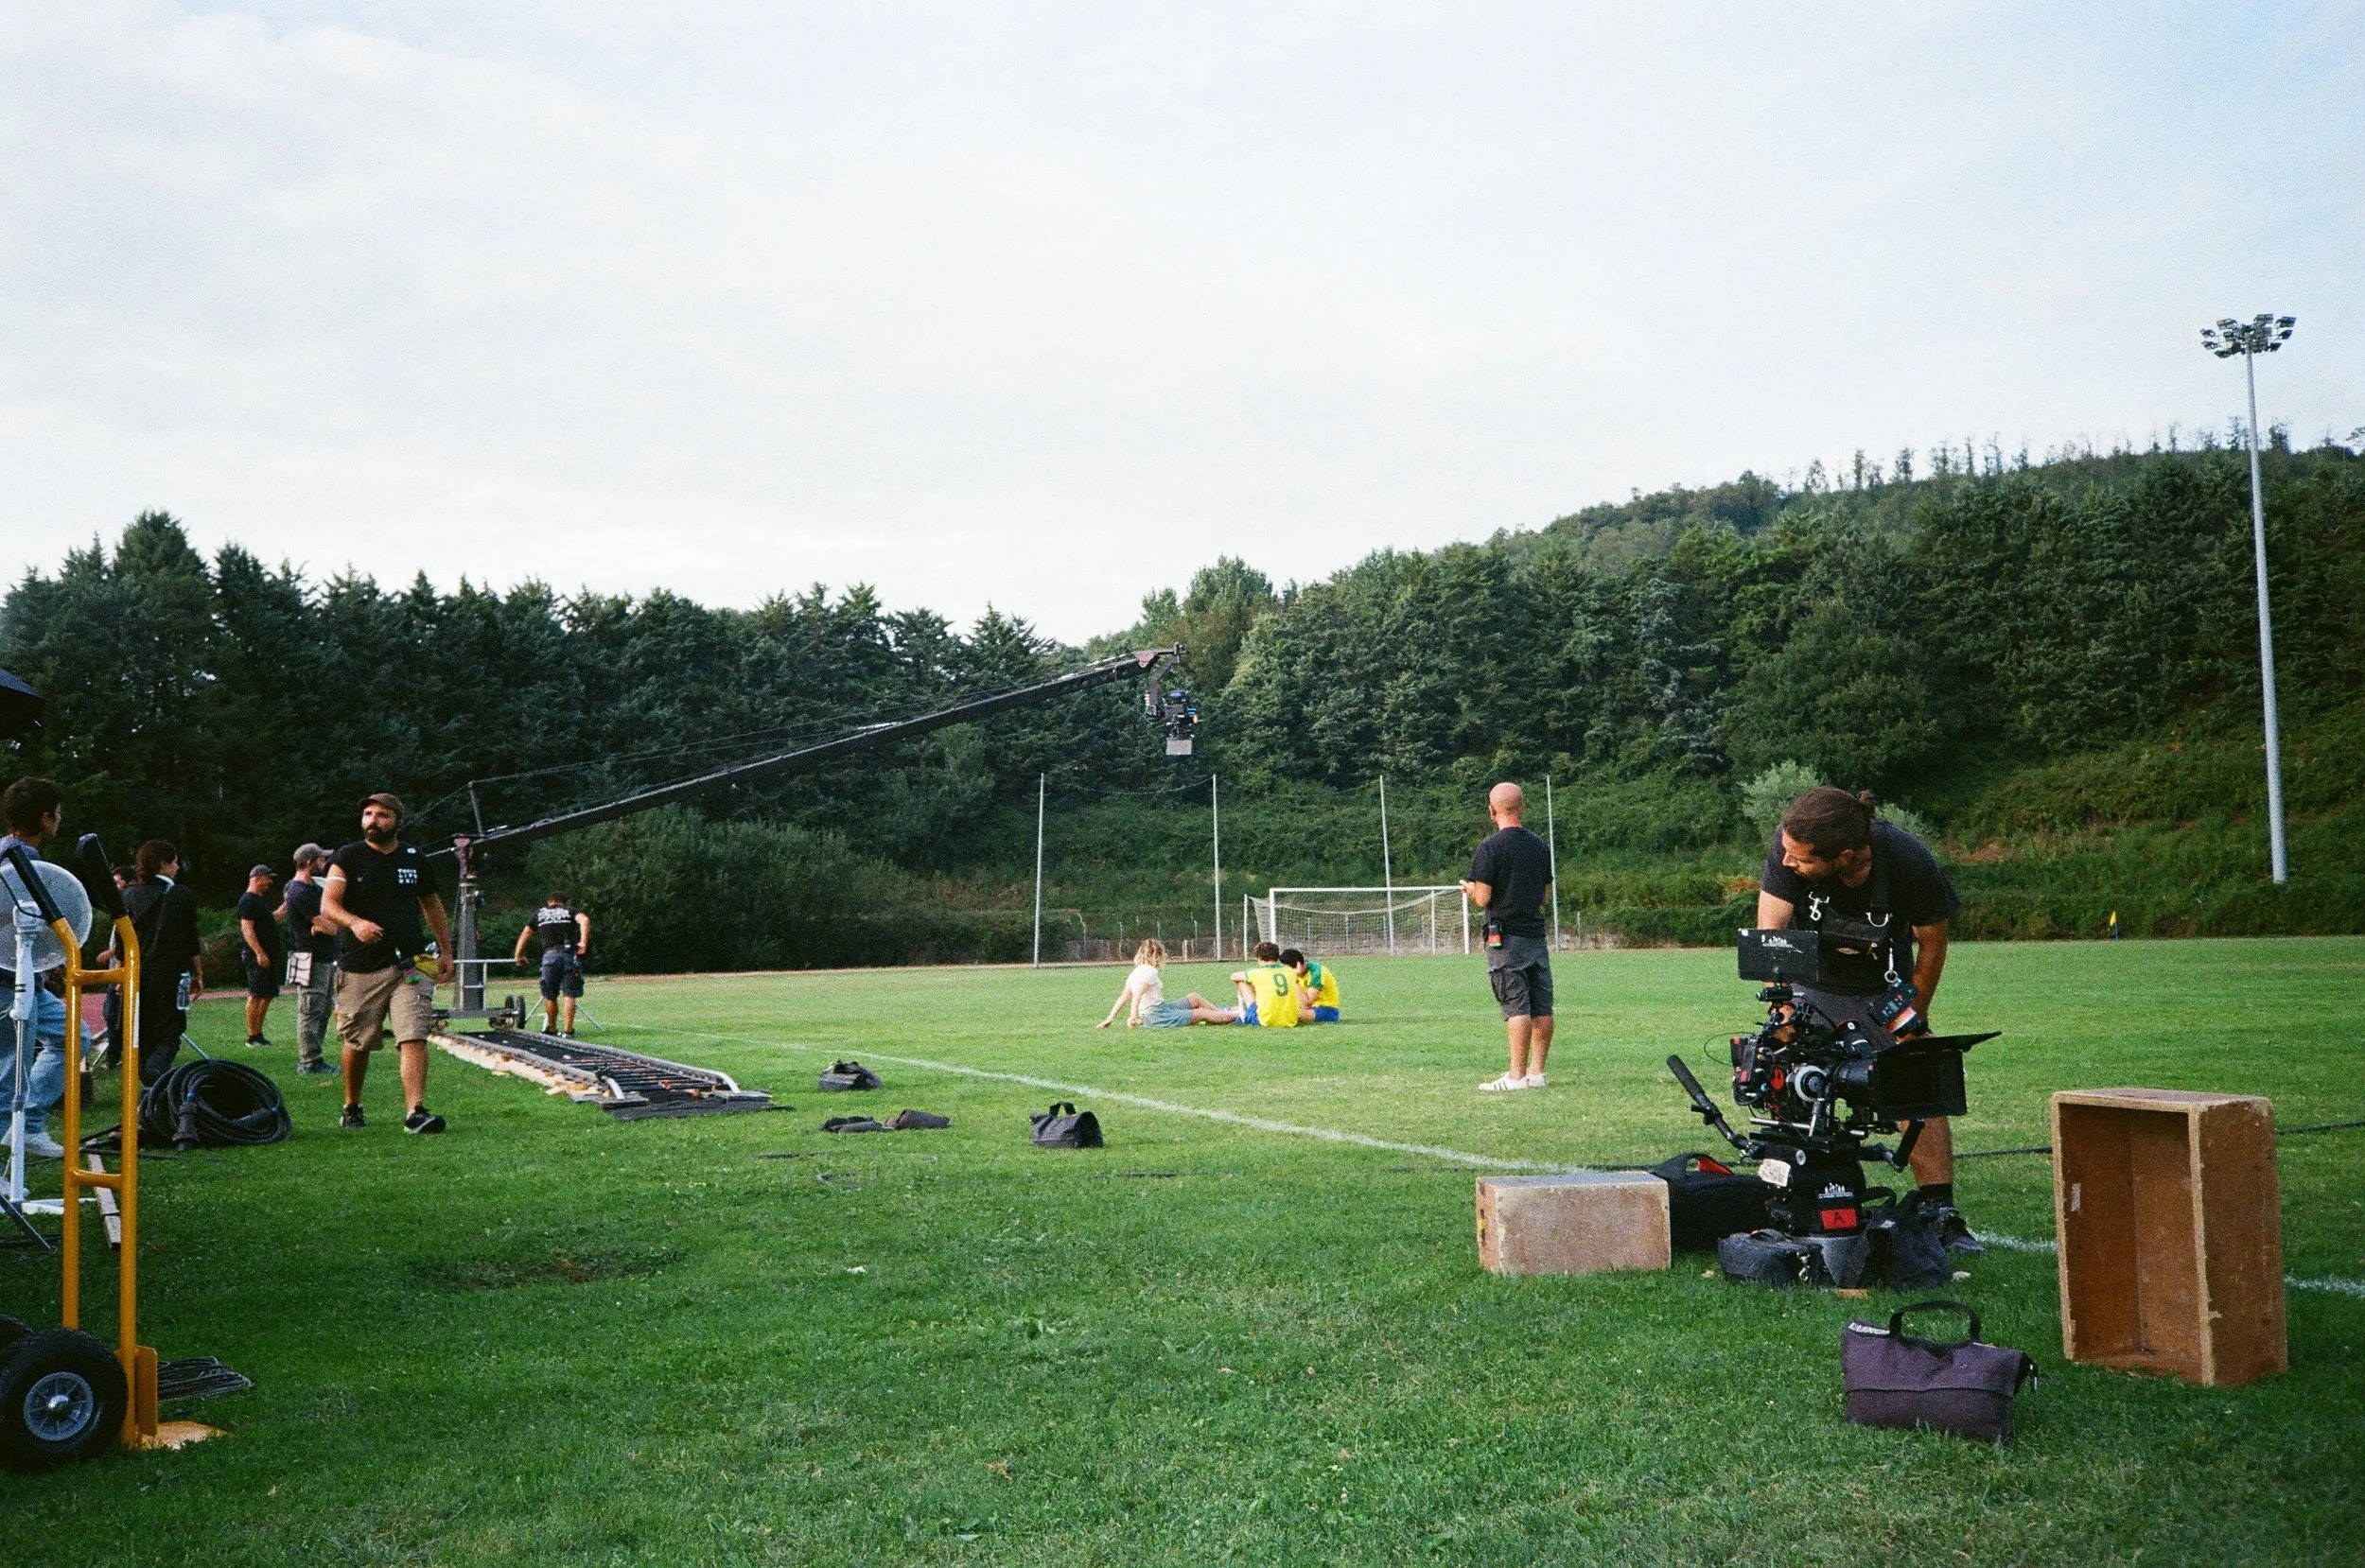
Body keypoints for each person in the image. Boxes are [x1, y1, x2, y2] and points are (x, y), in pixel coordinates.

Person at [1757, 784, 1976, 1251]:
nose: (1788, 861)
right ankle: (1792, 1195)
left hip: (1885, 986)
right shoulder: (1791, 844)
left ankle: (1940, 1210)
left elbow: (1932, 944)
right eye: (1787, 853)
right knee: (1788, 1069)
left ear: (1847, 856)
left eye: (1802, 860)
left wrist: (1912, 1014)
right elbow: (1770, 935)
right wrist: (1783, 1010)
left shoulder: (1909, 861)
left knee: (1918, 1068)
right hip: (1809, 980)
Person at [319, 793, 454, 1135]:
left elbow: (432, 904)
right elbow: (329, 905)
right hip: (360, 963)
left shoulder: (414, 857)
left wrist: (446, 951)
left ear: (397, 821)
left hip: (415, 960)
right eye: (367, 814)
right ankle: (352, 1105)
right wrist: (355, 923)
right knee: (358, 1041)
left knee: (414, 1034)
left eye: (382, 815)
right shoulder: (347, 856)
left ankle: (415, 1112)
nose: (372, 820)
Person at [1461, 781, 1554, 1091]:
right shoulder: (1541, 846)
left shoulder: (1490, 848)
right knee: (1542, 1006)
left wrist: (1471, 889)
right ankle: (1536, 1073)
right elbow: (1544, 895)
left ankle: (1516, 1077)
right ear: (1522, 808)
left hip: (1505, 939)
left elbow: (1484, 898)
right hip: (1536, 936)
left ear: (1491, 810)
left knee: (1516, 1006)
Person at [0, 777, 72, 1159]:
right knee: (9, 1071)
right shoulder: (19, 861)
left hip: (28, 979)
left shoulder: (17, 854)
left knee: (73, 1035)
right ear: (45, 818)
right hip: (8, 982)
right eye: (57, 814)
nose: (59, 820)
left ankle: (26, 1127)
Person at [120, 839, 204, 1085]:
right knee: (171, 1029)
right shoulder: (180, 895)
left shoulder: (128, 895)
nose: (177, 867)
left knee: (141, 1030)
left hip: (137, 972)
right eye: (175, 862)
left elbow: (120, 941)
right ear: (164, 864)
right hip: (170, 972)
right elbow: (190, 939)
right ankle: (155, 1070)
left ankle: (145, 1079)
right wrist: (198, 972)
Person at [281, 844, 339, 1074]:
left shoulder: (313, 888)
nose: (324, 864)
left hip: (323, 955)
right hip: (308, 956)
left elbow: (328, 917)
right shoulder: (299, 892)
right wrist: (329, 925)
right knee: (310, 1009)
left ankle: (315, 1056)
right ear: (308, 862)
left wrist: (326, 924)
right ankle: (309, 1061)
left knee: (324, 1008)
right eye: (321, 860)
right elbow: (328, 925)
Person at [1096, 938, 1236, 1028]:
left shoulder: (1135, 972)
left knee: (1194, 998)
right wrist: (1134, 1016)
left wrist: (1110, 1018)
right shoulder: (1150, 971)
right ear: (1158, 956)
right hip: (1155, 1016)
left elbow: (1123, 997)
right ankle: (1239, 1017)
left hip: (1163, 1008)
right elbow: (1137, 995)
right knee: (1201, 1013)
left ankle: (1220, 1012)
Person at [513, 892, 591, 1037]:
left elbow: (526, 934)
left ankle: (552, 1029)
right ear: (564, 902)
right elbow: (585, 920)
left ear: (549, 902)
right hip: (569, 955)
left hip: (550, 956)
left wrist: (518, 956)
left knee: (550, 995)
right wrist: (583, 942)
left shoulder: (540, 914)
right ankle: (568, 1031)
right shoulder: (570, 911)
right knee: (569, 994)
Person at [236, 862, 284, 1048]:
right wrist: (259, 952)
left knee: (267, 993)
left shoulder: (258, 900)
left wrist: (287, 903)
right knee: (256, 994)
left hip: (268, 954)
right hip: (257, 955)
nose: (270, 882)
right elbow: (247, 929)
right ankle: (251, 1036)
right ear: (256, 878)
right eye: (267, 878)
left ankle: (258, 1033)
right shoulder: (248, 901)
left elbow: (273, 919)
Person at [1228, 941, 1301, 1028]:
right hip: (1291, 1021)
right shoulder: (1290, 971)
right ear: (1277, 957)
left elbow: (1233, 976)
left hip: (1264, 1021)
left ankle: (1243, 1015)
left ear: (1259, 958)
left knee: (1242, 982)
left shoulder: (1256, 973)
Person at [1281, 949, 1340, 1022]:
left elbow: (1307, 1005)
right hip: (1307, 1009)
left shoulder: (1317, 972)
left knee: (1292, 1014)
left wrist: (1294, 980)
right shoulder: (1295, 973)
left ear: (1298, 965)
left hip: (1327, 1010)